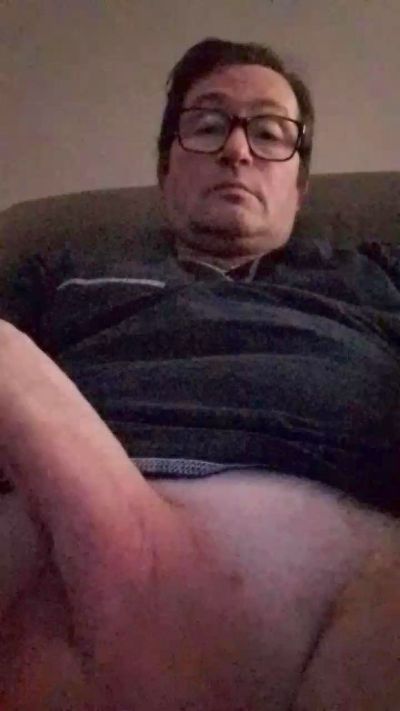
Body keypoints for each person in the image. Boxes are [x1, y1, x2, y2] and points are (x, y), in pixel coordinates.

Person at [0, 37, 399, 710]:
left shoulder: (379, 275)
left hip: (336, 604)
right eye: (208, 125)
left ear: (299, 188)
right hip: (47, 545)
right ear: (165, 172)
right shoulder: (62, 272)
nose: (237, 150)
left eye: (269, 133)